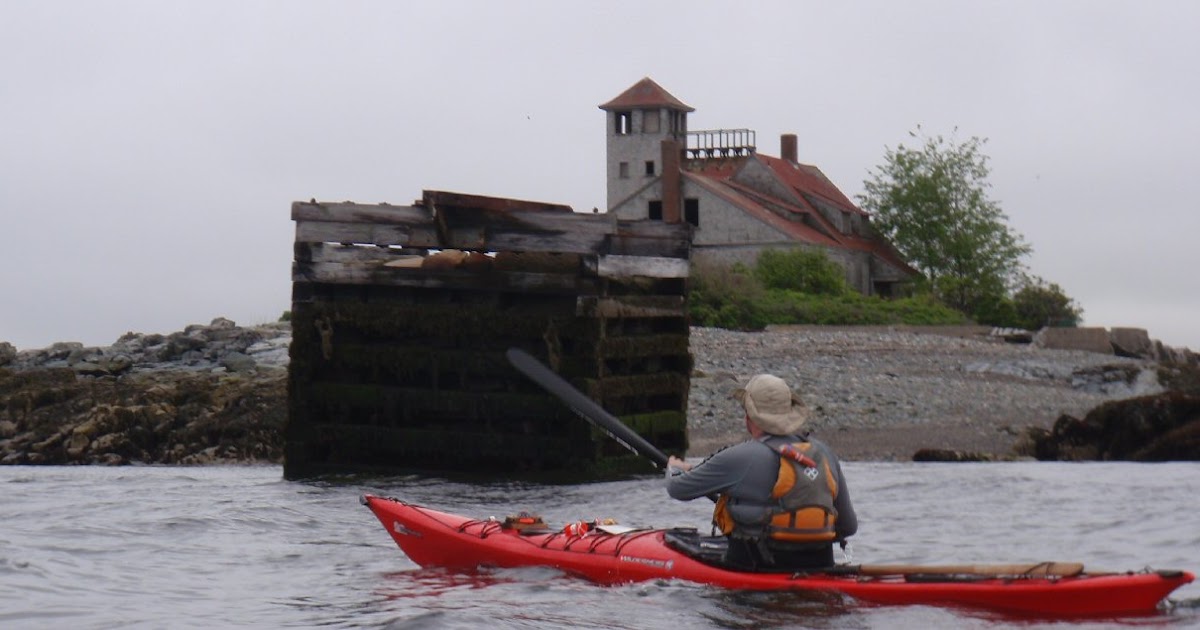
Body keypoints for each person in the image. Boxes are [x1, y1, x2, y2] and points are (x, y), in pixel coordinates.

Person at [666, 374, 857, 571]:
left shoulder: (740, 457)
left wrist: (675, 468)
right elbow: (848, 527)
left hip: (754, 567)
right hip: (820, 565)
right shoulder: (824, 453)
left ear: (749, 415)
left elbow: (677, 489)